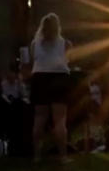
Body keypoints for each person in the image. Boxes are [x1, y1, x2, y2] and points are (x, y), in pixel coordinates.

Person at [29, 13, 72, 163]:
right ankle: (63, 156)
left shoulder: (35, 44)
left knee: (39, 119)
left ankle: (36, 156)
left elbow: (33, 59)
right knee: (59, 120)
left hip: (40, 78)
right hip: (59, 78)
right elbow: (68, 60)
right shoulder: (66, 43)